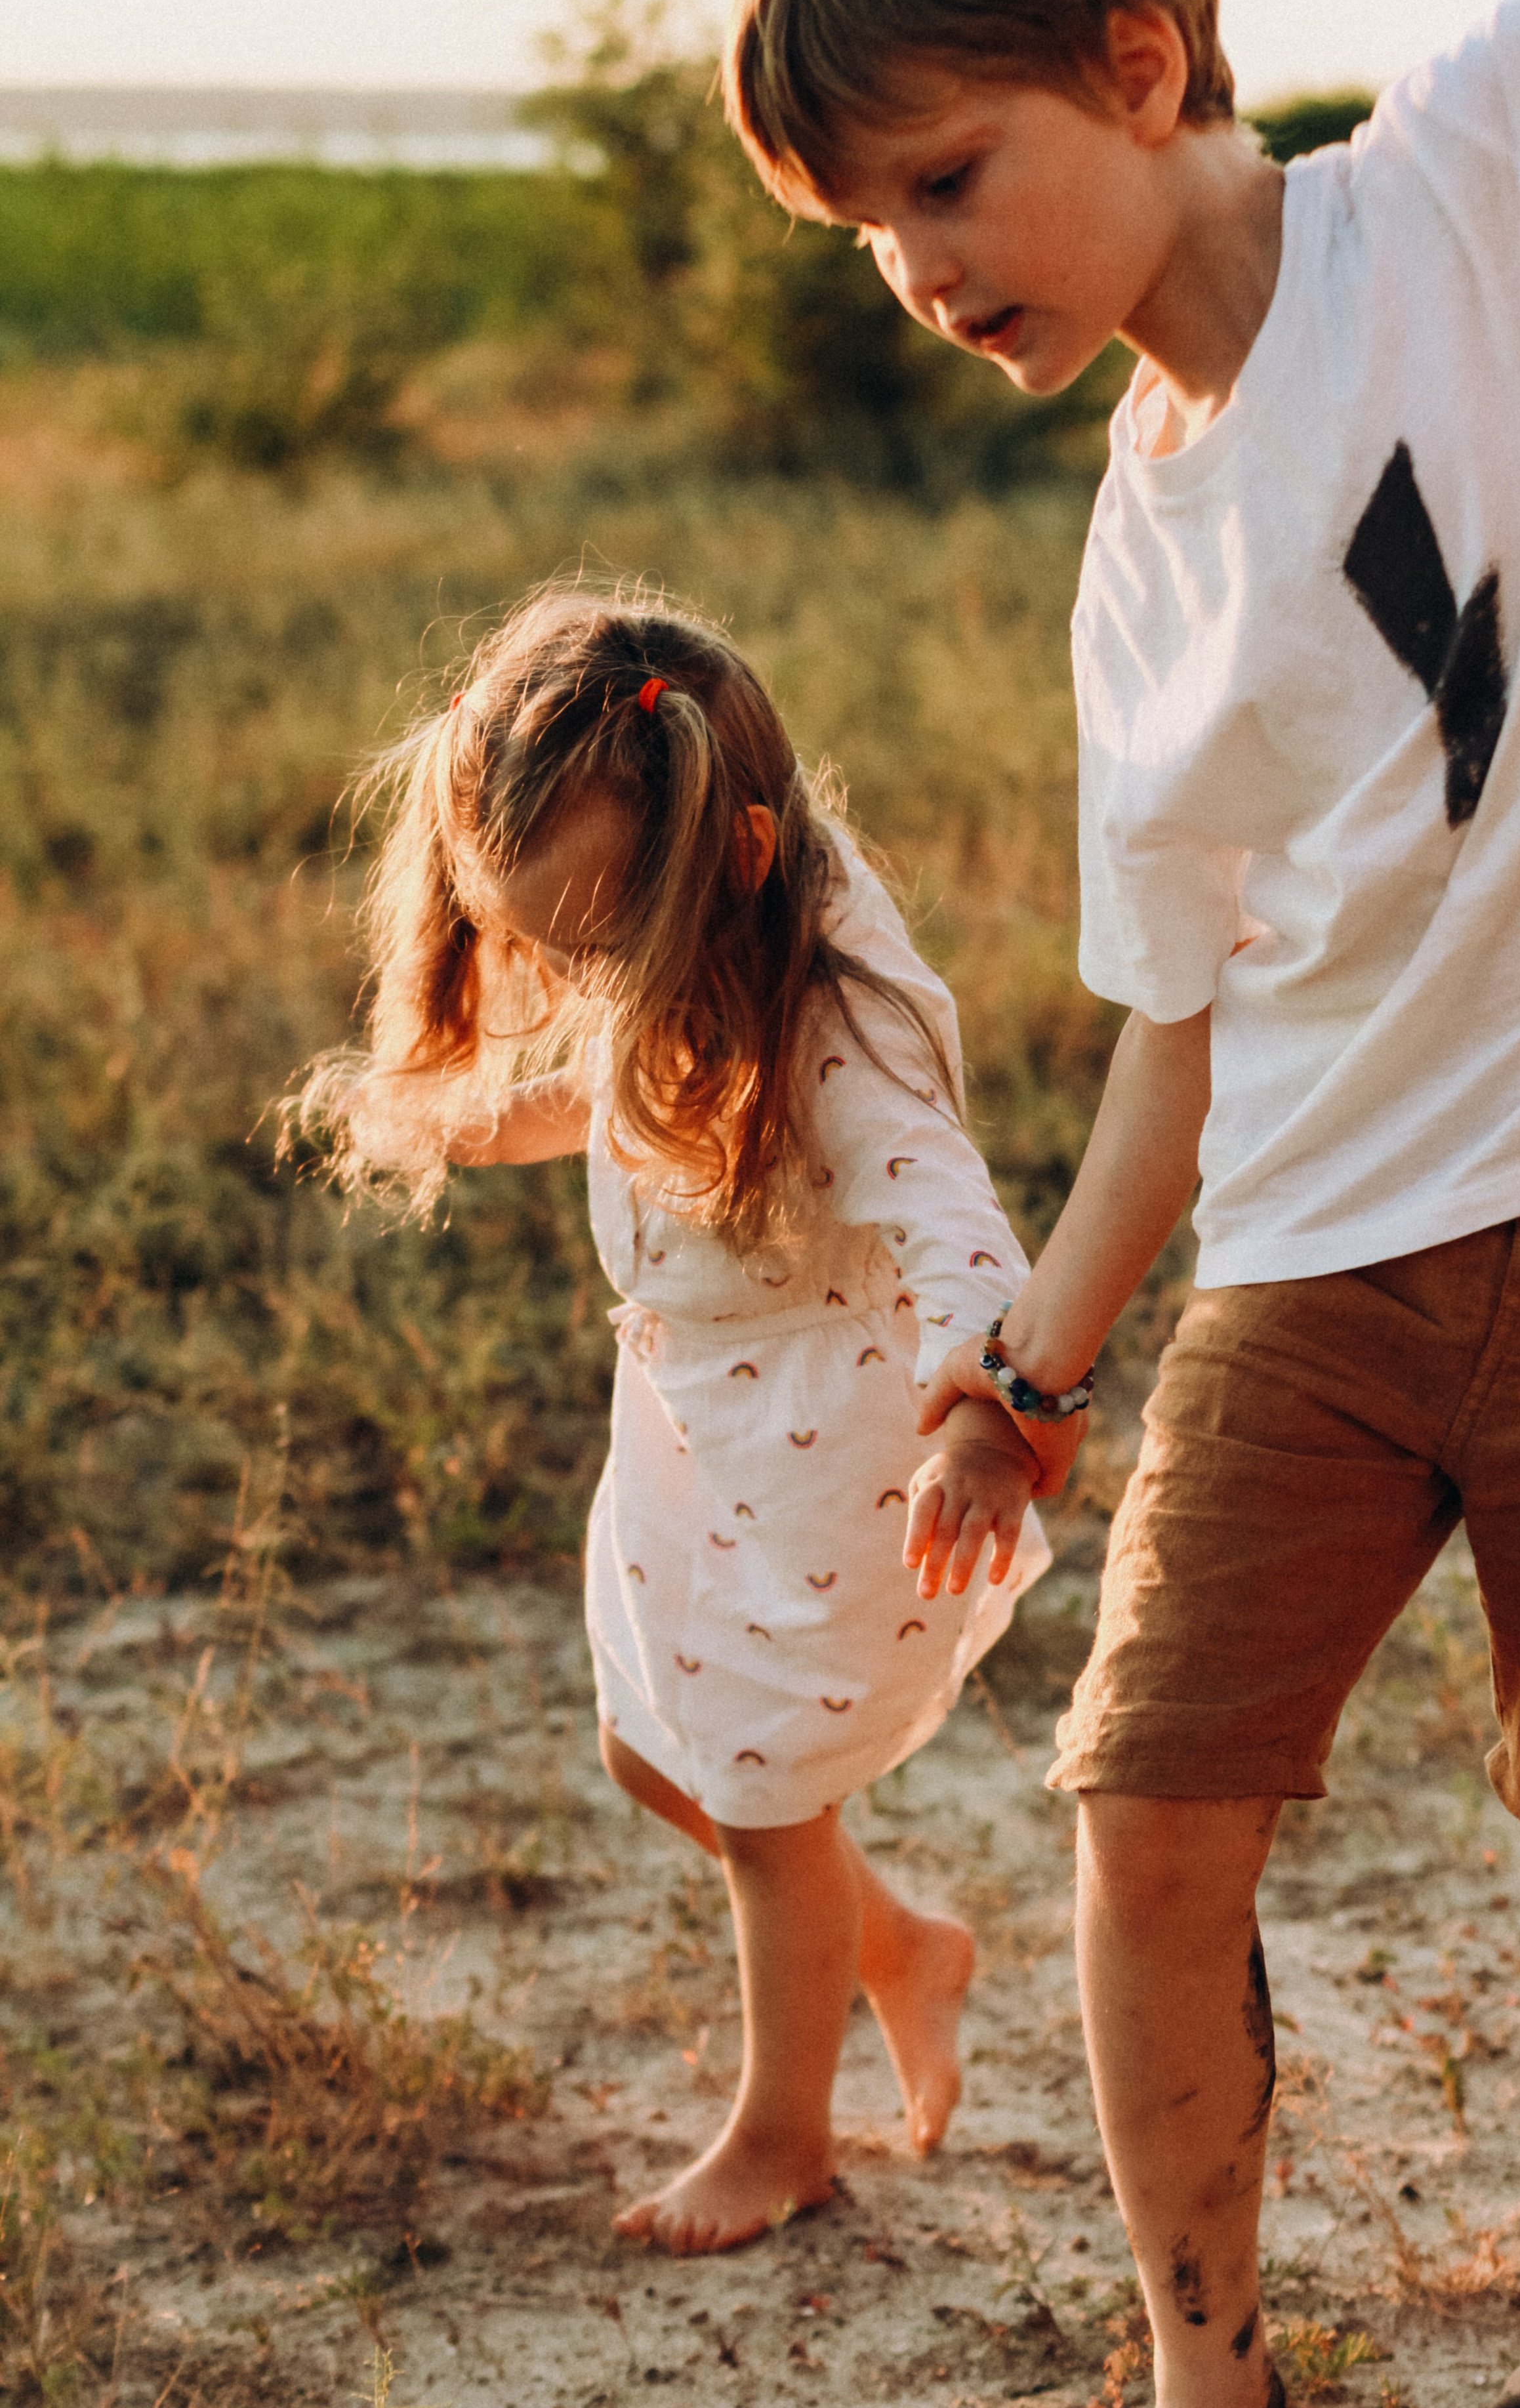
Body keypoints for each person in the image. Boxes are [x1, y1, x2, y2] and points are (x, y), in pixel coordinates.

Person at [725, 0, 1520, 2401]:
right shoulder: (1137, 572)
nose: (913, 273)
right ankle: (1205, 2367)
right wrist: (1026, 1379)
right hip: (1314, 1267)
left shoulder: (1499, 164)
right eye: (864, 237)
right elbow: (1173, 1041)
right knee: (1145, 1810)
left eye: (943, 180)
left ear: (1141, 61)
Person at [297, 590, 1053, 2255]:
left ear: (738, 857)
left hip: (834, 1447)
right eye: (545, 951)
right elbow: (638, 1076)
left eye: (587, 954)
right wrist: (474, 1118)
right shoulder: (692, 922)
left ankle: (783, 2135)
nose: (570, 984)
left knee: (768, 1809)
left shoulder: (840, 1030)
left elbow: (956, 1227)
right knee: (650, 1750)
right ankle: (902, 1946)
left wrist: (982, 1421)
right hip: (693, 1432)